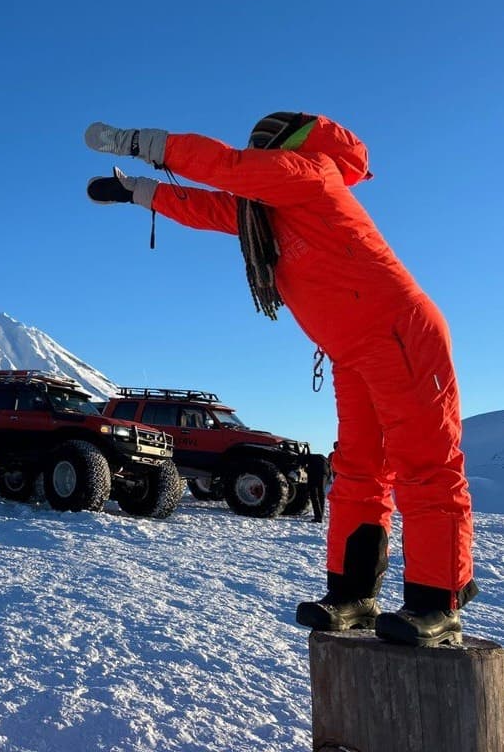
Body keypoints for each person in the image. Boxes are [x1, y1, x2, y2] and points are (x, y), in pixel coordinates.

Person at [85, 112, 476, 647]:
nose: (255, 151)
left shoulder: (311, 173)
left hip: (398, 332)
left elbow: (228, 169)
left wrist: (141, 144)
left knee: (425, 464)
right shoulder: (270, 208)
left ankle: (438, 600)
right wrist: (142, 194)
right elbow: (214, 207)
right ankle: (353, 595)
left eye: (260, 144)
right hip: (352, 350)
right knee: (359, 470)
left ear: (283, 143)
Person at [306, 451, 330, 524]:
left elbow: (308, 470)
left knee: (314, 495)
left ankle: (318, 517)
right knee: (321, 495)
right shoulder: (322, 457)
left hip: (316, 473)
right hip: (325, 473)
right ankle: (320, 515)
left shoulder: (309, 459)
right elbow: (329, 469)